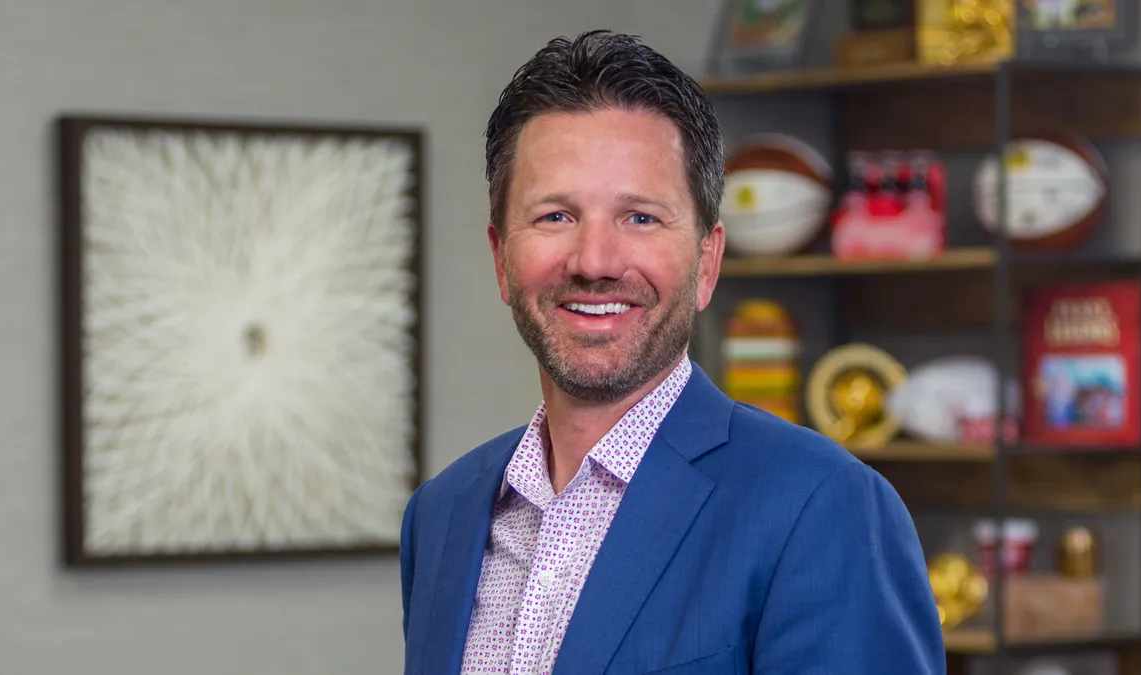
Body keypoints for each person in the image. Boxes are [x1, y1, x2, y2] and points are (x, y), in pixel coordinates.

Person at [400, 29, 946, 675]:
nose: (595, 261)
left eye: (640, 218)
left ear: (707, 261)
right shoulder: (443, 513)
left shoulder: (822, 505)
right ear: (500, 257)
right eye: (554, 216)